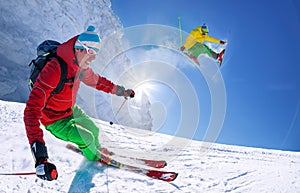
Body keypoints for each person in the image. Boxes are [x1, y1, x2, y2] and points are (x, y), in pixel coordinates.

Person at [23, 26, 135, 181]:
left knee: (95, 131)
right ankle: (95, 157)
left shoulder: (81, 67)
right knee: (87, 137)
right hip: (54, 120)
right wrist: (41, 157)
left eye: (95, 53)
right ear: (79, 49)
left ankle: (94, 150)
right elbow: (31, 111)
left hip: (71, 110)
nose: (93, 57)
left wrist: (121, 91)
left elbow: (99, 82)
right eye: (91, 52)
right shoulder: (54, 69)